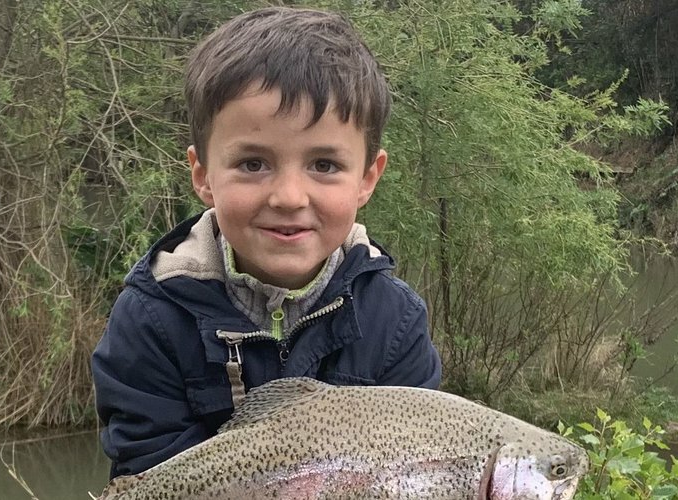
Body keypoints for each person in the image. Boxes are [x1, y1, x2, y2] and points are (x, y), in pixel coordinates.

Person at [91, 6, 442, 480]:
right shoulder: (150, 318)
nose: (289, 197)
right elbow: (149, 472)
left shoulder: (396, 322)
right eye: (253, 164)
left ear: (367, 178)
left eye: (324, 165)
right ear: (203, 175)